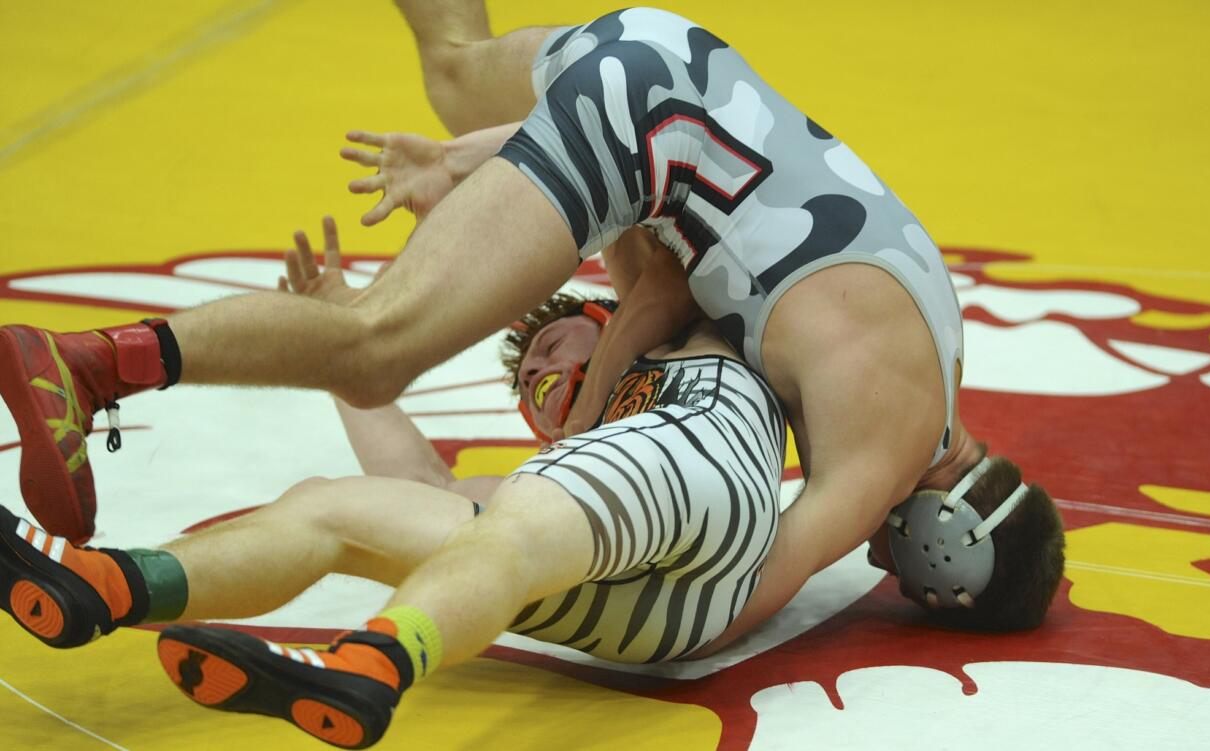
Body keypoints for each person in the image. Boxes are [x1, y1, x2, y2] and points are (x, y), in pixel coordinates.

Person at [1, 0, 1062, 656]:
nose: (880, 559)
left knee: (455, 66)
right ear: (942, 544)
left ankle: (109, 385)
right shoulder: (879, 447)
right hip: (652, 134)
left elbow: (729, 191)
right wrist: (581, 445)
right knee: (380, 339)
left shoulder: (935, 334)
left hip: (669, 68)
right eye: (907, 575)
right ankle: (93, 364)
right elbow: (744, 592)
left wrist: (472, 158)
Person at [1, 233, 787, 748]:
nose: (541, 375)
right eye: (529, 388)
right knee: (333, 505)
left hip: (706, 466)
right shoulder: (559, 472)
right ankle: (107, 585)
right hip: (647, 620)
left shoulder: (683, 334)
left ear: (601, 316)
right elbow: (422, 488)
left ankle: (375, 663)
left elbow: (659, 256)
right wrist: (342, 345)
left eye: (549, 347)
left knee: (509, 529)